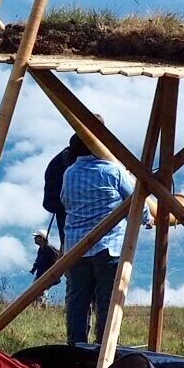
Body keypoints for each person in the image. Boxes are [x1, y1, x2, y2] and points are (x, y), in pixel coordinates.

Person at [60, 143, 136, 345]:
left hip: (76, 247)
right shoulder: (113, 171)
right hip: (108, 247)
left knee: (77, 301)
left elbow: (64, 199)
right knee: (108, 302)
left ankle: (76, 347)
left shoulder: (69, 172)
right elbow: (137, 202)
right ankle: (105, 349)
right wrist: (147, 219)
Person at [42, 133, 90, 244]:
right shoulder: (59, 164)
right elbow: (49, 202)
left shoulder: (105, 164)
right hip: (72, 238)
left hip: (101, 239)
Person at [30, 228, 60, 295]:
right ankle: (38, 305)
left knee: (42, 292)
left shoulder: (50, 249)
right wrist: (34, 269)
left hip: (48, 275)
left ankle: (41, 304)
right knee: (34, 292)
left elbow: (57, 261)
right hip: (41, 275)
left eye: (36, 237)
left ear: (42, 238)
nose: (34, 238)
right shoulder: (41, 249)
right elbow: (38, 260)